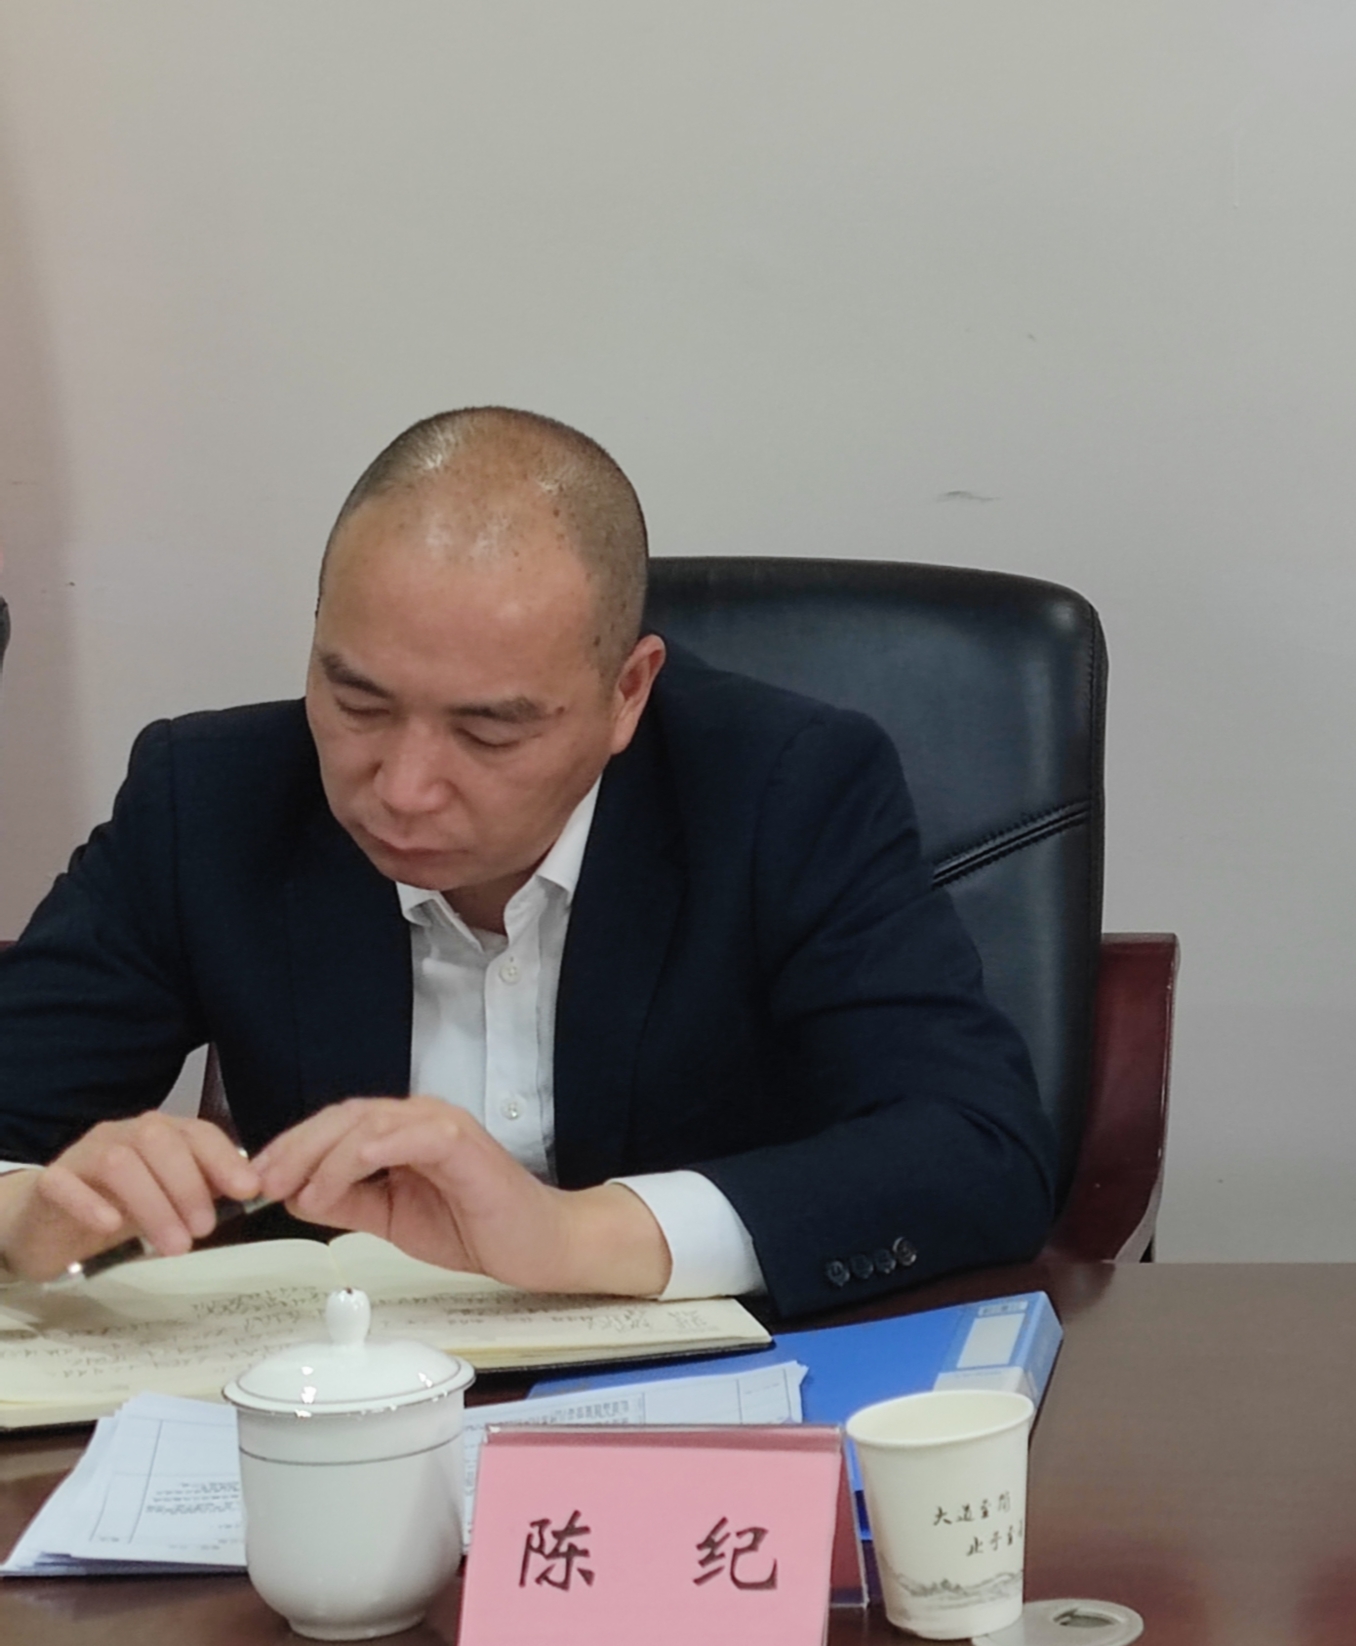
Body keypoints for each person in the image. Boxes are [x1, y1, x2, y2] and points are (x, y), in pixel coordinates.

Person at [0, 409, 1056, 1314]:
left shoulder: (782, 789)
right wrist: (28, 1213)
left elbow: (977, 1147)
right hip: (338, 1409)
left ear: (628, 692)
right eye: (359, 702)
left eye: (489, 730)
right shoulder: (209, 799)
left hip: (704, 1407)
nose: (404, 785)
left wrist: (574, 1235)